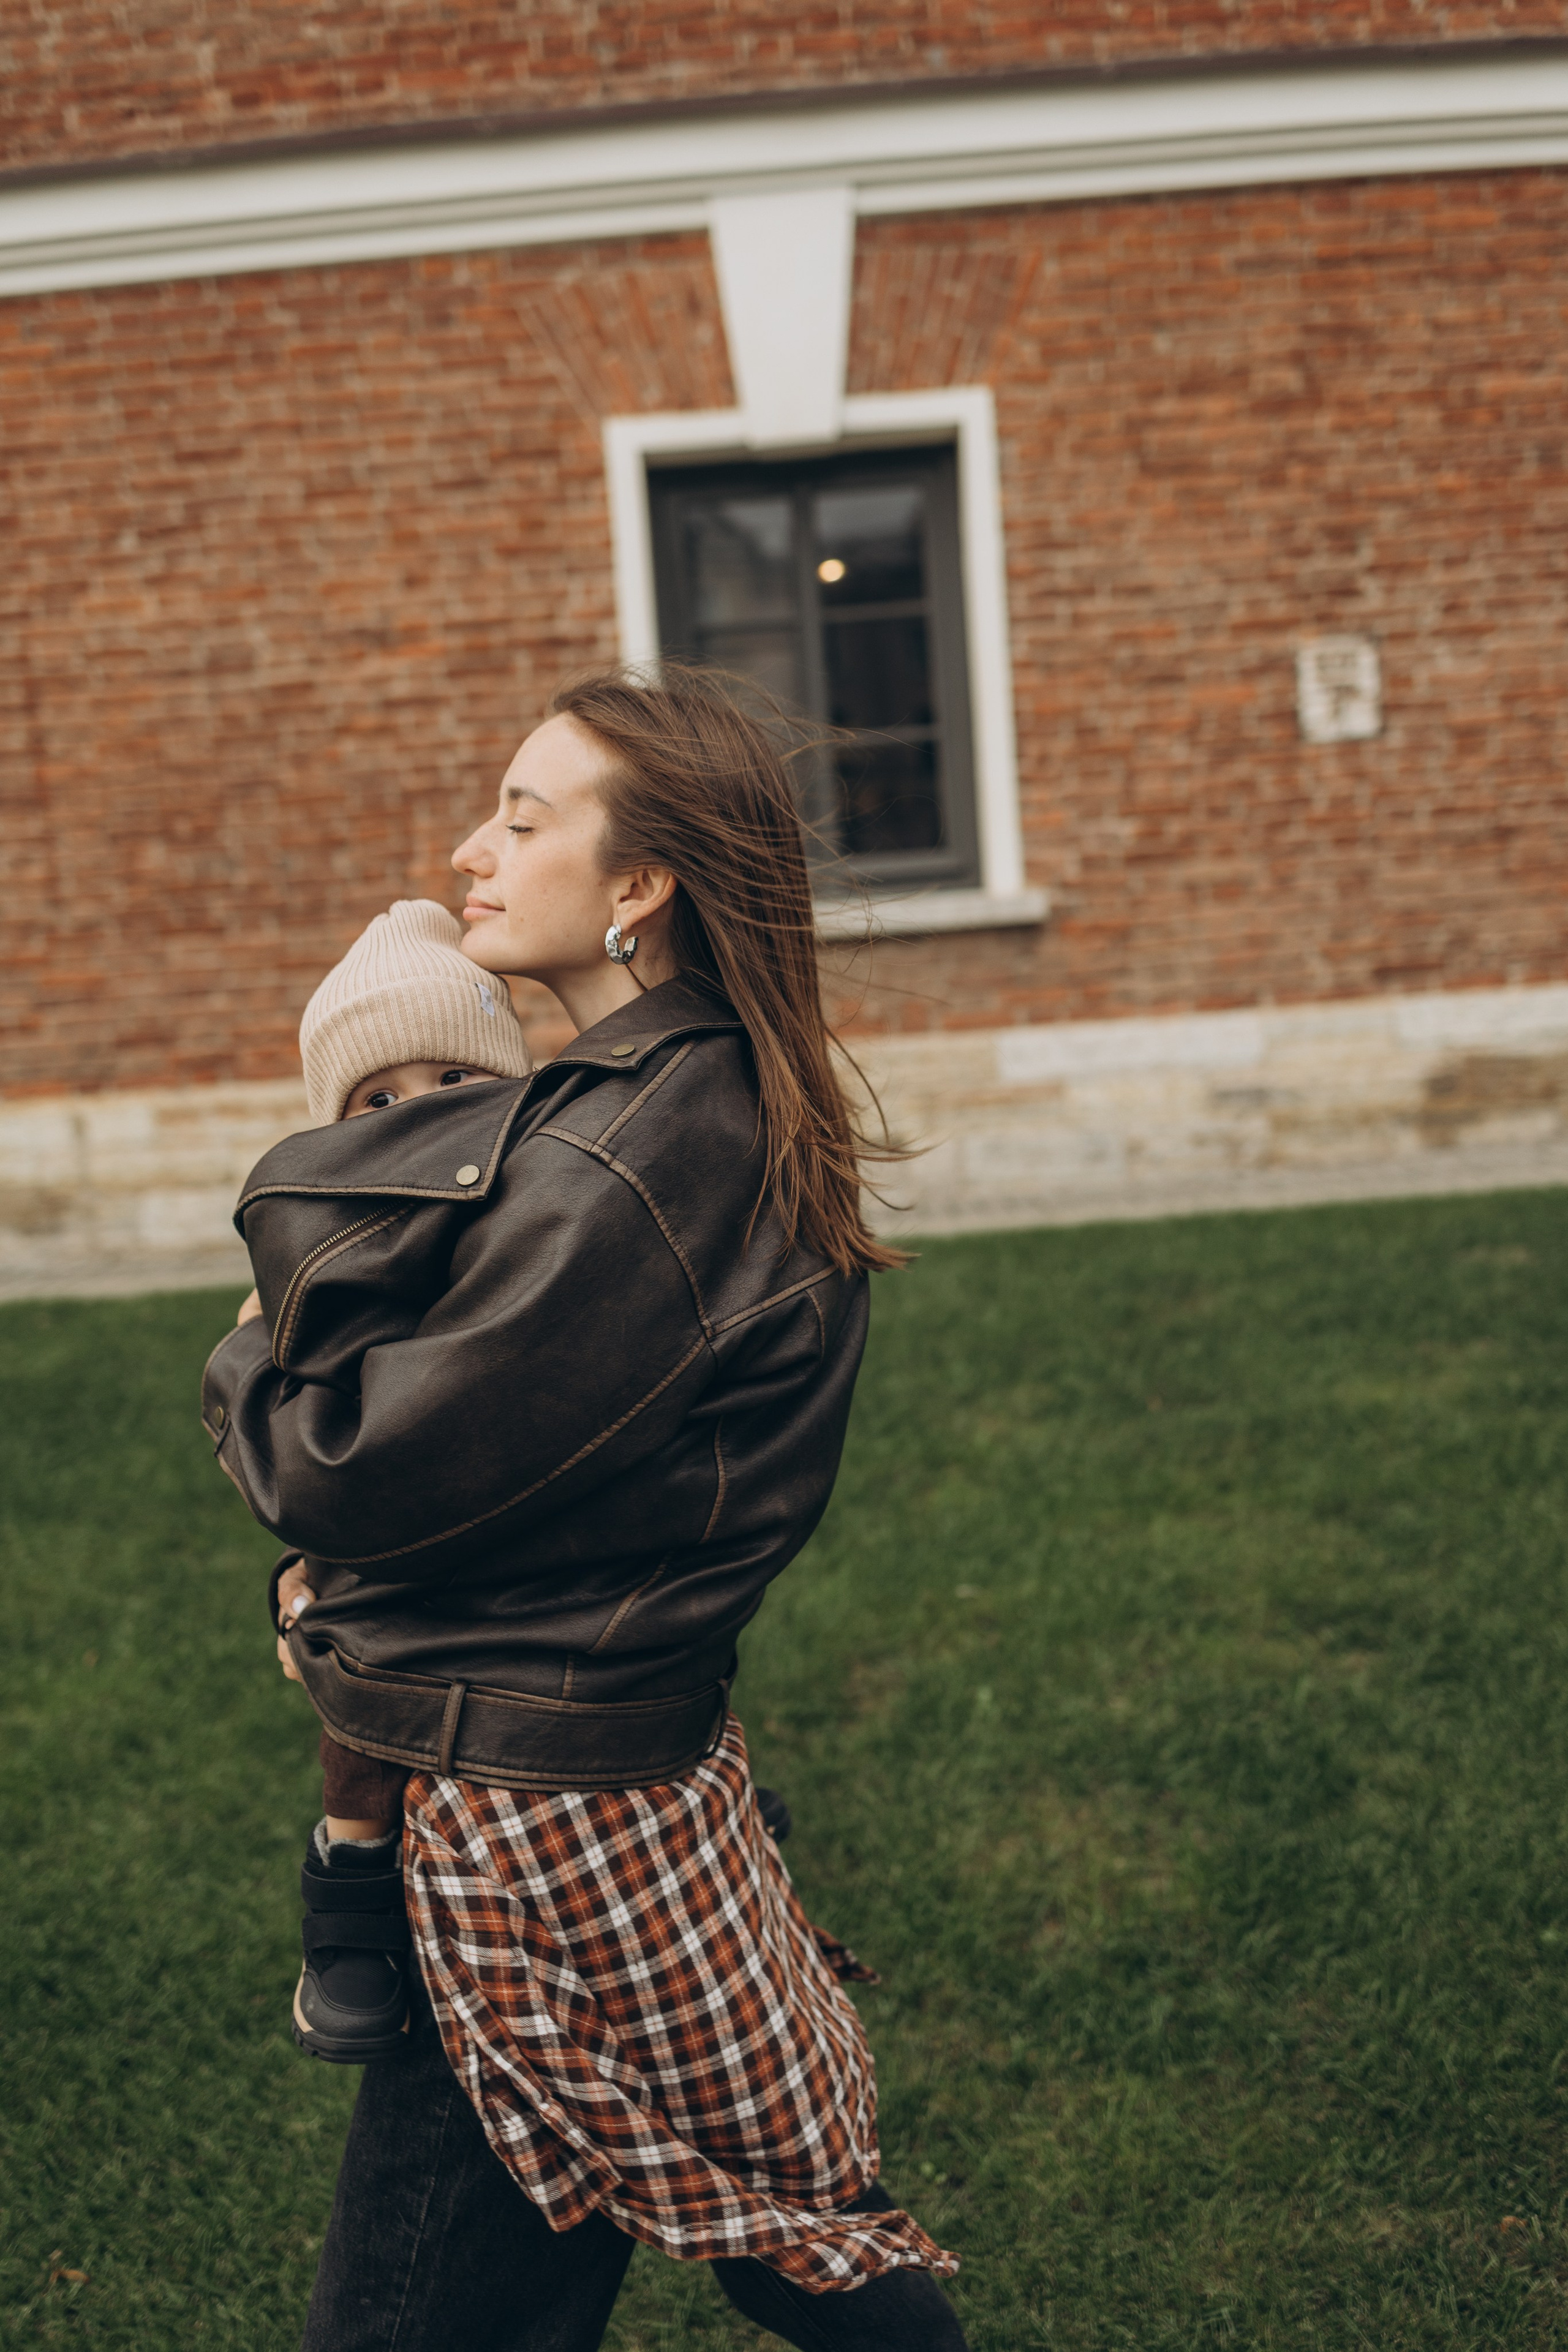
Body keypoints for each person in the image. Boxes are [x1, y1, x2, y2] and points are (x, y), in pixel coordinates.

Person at [203, 666, 969, 2350]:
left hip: (536, 1829)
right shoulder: (672, 1099)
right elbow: (548, 1470)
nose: (477, 848)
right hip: (615, 1766)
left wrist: (251, 1356)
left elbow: (356, 1468)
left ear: (640, 888)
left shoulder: (631, 1155)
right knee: (783, 2216)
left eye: (526, 817)